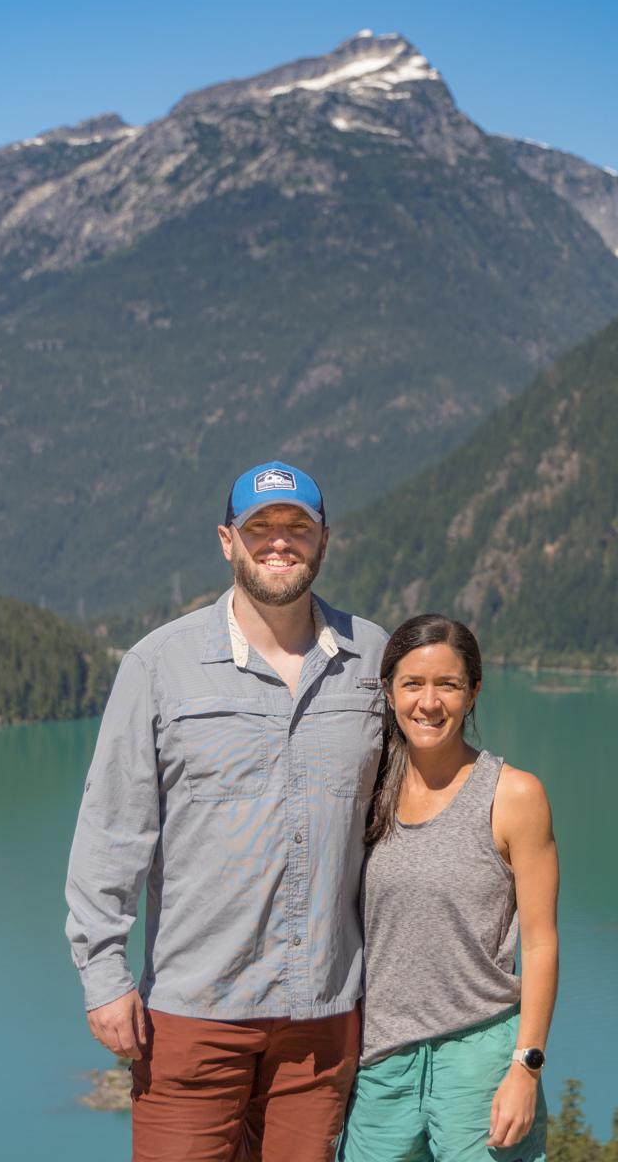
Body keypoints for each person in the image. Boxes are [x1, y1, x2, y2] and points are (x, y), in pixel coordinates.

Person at [65, 460, 388, 1162]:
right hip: (194, 1013)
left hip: (323, 1018)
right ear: (226, 540)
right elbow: (113, 829)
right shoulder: (157, 666)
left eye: (297, 528)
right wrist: (103, 976)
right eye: (259, 528)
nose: (279, 542)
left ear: (324, 540)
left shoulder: (374, 660)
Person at [342, 615, 559, 1162]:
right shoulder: (367, 790)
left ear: (473, 693)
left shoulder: (514, 795)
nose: (429, 702)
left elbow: (539, 944)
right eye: (413, 684)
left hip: (480, 1058)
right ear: (389, 691)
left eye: (448, 685)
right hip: (380, 1065)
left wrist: (525, 1068)